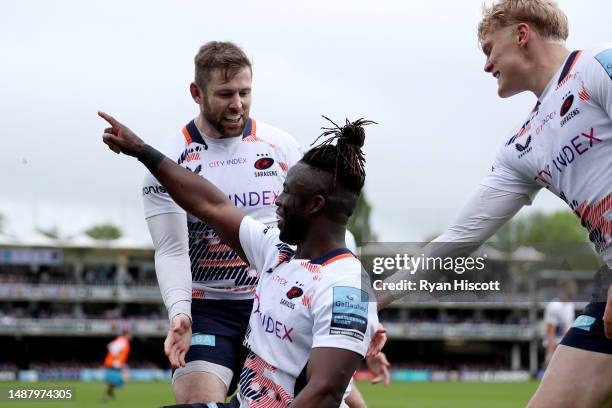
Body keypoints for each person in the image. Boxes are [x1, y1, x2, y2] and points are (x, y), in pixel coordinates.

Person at [378, 1, 612, 406]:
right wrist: (374, 300)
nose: (487, 65)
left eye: (489, 49)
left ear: (522, 35)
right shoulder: (521, 144)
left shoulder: (596, 67)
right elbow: (457, 241)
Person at [100, 111, 382, 407]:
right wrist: (143, 151)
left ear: (314, 205)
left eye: (286, 192)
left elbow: (325, 392)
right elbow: (212, 204)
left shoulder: (347, 288)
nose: (277, 200)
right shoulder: (277, 249)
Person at [142, 41, 302, 403]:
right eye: (225, 93)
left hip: (275, 304)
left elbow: (317, 233)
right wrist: (180, 311)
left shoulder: (283, 148)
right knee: (196, 401)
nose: (238, 104)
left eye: (245, 93)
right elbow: (170, 248)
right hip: (208, 308)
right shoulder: (169, 161)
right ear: (196, 93)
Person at [542, 278, 576, 368]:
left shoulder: (571, 305)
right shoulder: (554, 306)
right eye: (571, 287)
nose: (573, 290)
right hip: (557, 345)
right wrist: (550, 353)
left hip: (568, 344)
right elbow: (550, 331)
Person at [101, 327, 131, 402]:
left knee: (114, 381)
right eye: (129, 334)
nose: (130, 335)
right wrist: (116, 360)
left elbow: (110, 345)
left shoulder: (121, 340)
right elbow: (113, 349)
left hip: (116, 363)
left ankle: (109, 393)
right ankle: (104, 397)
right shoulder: (122, 341)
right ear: (126, 334)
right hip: (114, 364)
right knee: (114, 381)